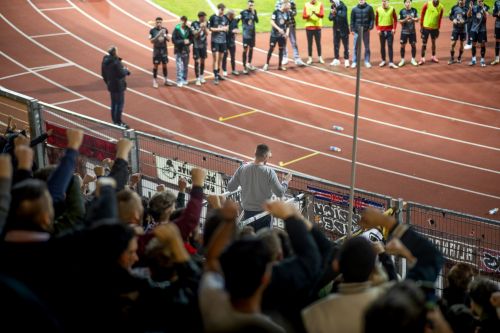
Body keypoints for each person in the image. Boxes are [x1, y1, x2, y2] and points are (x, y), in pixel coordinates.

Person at [199, 200, 285, 333]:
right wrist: (230, 220)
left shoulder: (212, 299)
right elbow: (212, 258)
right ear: (266, 279)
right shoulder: (272, 329)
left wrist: (228, 221)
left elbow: (211, 258)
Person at [227, 144, 292, 231]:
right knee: (264, 241)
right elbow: (280, 192)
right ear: (265, 156)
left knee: (250, 240)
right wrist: (286, 181)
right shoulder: (269, 172)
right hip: (264, 214)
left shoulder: (242, 168)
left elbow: (230, 187)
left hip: (247, 214)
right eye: (269, 156)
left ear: (255, 153)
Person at [101, 46, 130, 128]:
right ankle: (118, 121)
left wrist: (108, 82)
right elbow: (121, 73)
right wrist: (126, 70)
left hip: (111, 85)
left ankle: (114, 120)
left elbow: (103, 74)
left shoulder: (105, 61)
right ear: (115, 52)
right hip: (118, 86)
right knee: (119, 104)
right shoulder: (116, 62)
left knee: (114, 103)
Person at [276, 0, 306, 66]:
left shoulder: (292, 2)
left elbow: (295, 13)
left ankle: (297, 58)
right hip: (282, 25)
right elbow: (277, 13)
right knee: (283, 41)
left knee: (294, 42)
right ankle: (284, 57)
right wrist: (284, 9)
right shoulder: (278, 2)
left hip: (291, 25)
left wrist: (289, 10)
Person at [263, 2, 291, 71]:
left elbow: (288, 25)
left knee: (281, 50)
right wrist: (279, 29)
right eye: (288, 7)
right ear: (284, 6)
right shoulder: (276, 12)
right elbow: (272, 22)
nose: (289, 9)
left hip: (282, 36)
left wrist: (287, 33)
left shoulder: (287, 13)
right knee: (271, 48)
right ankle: (266, 64)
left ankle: (280, 66)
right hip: (274, 35)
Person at [350, 0, 375, 68]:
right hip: (357, 31)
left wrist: (370, 27)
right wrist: (352, 29)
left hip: (365, 31)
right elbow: (352, 20)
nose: (361, 0)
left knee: (367, 47)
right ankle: (354, 61)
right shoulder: (354, 9)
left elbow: (372, 19)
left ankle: (367, 61)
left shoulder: (369, 8)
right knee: (355, 47)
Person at [419, 0, 445, 65]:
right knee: (424, 43)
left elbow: (440, 18)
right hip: (426, 27)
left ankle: (433, 56)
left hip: (434, 28)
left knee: (433, 42)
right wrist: (421, 26)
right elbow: (422, 14)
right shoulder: (427, 4)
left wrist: (438, 28)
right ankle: (422, 58)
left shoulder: (441, 7)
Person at [209, 3, 230, 85]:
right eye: (221, 9)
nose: (222, 11)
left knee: (220, 59)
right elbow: (210, 28)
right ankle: (216, 77)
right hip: (215, 41)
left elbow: (227, 27)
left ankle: (217, 73)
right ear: (218, 9)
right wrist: (220, 29)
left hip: (223, 41)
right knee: (216, 58)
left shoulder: (225, 18)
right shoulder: (213, 17)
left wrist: (226, 29)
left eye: (223, 10)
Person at [149, 17, 171, 88]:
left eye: (160, 22)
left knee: (165, 64)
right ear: (155, 22)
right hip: (157, 50)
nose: (159, 24)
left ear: (162, 22)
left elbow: (168, 39)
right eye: (157, 22)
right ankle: (154, 81)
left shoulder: (165, 30)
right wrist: (158, 36)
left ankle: (166, 80)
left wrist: (164, 35)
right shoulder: (152, 31)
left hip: (164, 50)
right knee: (156, 65)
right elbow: (151, 41)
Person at [375, 0, 399, 68]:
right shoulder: (378, 9)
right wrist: (378, 29)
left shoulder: (392, 9)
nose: (384, 2)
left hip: (390, 31)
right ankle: (383, 60)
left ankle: (391, 62)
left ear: (388, 2)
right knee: (382, 46)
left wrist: (394, 28)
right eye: (383, 1)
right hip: (381, 32)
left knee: (390, 46)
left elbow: (395, 20)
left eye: (385, 1)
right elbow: (376, 21)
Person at [172, 16, 192, 87]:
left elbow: (191, 39)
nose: (183, 22)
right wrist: (183, 41)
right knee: (179, 66)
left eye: (185, 21)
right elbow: (174, 40)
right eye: (182, 20)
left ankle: (184, 78)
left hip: (186, 50)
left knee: (185, 66)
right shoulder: (176, 29)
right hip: (178, 50)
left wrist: (189, 42)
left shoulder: (188, 29)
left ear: (186, 21)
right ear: (180, 21)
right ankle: (179, 80)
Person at [329, 0, 350, 67]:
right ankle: (336, 59)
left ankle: (346, 59)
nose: (332, 3)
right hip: (336, 30)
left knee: (345, 45)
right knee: (336, 45)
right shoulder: (332, 7)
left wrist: (336, 12)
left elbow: (343, 16)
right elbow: (330, 18)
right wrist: (333, 14)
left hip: (344, 29)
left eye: (332, 1)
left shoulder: (343, 6)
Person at [303, 0, 325, 64]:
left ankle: (320, 57)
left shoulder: (320, 4)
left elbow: (322, 15)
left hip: (317, 27)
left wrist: (315, 13)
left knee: (318, 43)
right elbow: (303, 16)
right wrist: (309, 15)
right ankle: (310, 58)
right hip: (309, 27)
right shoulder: (306, 4)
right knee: (310, 44)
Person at [467, 0, 489, 67]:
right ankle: (473, 59)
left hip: (482, 30)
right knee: (473, 44)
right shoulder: (474, 7)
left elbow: (486, 17)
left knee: (482, 44)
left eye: (481, 1)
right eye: (479, 1)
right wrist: (470, 8)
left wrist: (483, 9)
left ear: (483, 1)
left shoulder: (485, 7)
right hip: (474, 29)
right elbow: (468, 15)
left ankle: (482, 60)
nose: (480, 2)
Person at [398, 0, 419, 67]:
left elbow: (417, 19)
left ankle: (413, 59)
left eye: (409, 2)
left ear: (411, 3)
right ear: (404, 3)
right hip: (404, 32)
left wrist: (412, 18)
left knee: (413, 45)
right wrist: (405, 19)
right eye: (406, 2)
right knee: (402, 46)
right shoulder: (401, 11)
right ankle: (402, 60)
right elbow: (400, 21)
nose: (408, 3)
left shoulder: (414, 10)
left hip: (412, 32)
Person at [241, 0, 259, 74]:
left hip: (252, 34)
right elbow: (237, 20)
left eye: (252, 5)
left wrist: (254, 14)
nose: (251, 6)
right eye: (250, 5)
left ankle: (249, 63)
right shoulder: (243, 12)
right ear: (247, 5)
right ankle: (244, 66)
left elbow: (257, 21)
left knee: (251, 48)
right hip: (246, 34)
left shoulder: (254, 12)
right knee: (245, 50)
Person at [191, 11, 209, 86]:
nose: (205, 18)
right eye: (204, 17)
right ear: (200, 17)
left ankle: (201, 76)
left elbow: (207, 33)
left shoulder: (206, 23)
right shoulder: (194, 24)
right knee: (197, 62)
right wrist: (200, 29)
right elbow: (194, 35)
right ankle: (197, 78)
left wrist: (204, 28)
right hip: (196, 46)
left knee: (202, 61)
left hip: (203, 46)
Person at [448, 0, 468, 64]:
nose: (461, 1)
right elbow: (450, 16)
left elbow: (470, 19)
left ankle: (459, 58)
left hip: (463, 30)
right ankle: (452, 58)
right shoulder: (454, 7)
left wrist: (464, 22)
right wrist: (453, 19)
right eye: (460, 0)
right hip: (455, 29)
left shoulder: (467, 9)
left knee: (461, 44)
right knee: (452, 44)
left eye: (462, 0)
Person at [222, 10, 240, 77]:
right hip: (225, 41)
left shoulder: (234, 21)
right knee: (225, 56)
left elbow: (237, 29)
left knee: (233, 57)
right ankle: (224, 70)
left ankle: (233, 69)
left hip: (232, 42)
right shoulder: (225, 21)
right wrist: (232, 31)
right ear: (230, 15)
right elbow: (225, 30)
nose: (234, 16)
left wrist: (237, 31)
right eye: (233, 15)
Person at [492, 0, 500, 65]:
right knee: (497, 41)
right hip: (498, 24)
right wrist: (498, 14)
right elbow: (493, 14)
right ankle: (497, 58)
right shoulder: (496, 2)